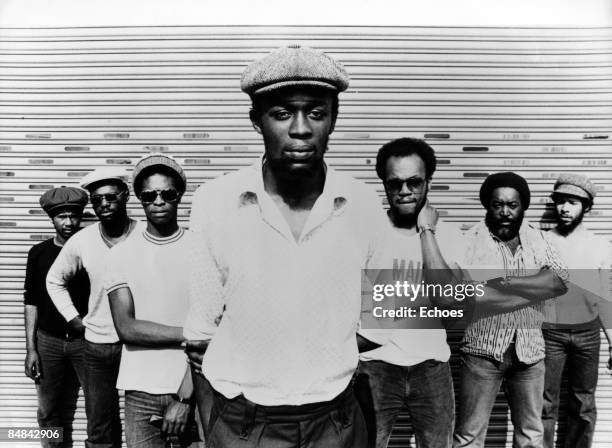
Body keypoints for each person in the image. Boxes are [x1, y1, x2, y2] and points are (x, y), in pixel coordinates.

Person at [184, 45, 388, 448]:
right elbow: (201, 334)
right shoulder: (215, 201)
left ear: (333, 118)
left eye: (316, 112)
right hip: (245, 421)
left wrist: (319, 355)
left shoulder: (363, 202)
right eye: (281, 114)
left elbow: (384, 318)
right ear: (256, 121)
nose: (300, 129)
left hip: (336, 421)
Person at [354, 138, 462, 448]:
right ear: (384, 185)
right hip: (374, 364)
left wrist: (426, 231)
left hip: (431, 365)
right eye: (395, 183)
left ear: (428, 182)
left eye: (414, 182)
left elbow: (447, 300)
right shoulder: (366, 233)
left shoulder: (450, 235)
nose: (404, 191)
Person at [453, 172, 568, 448]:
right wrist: (533, 288)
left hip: (530, 353)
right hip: (481, 352)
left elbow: (561, 280)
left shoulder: (539, 239)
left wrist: (504, 284)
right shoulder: (469, 241)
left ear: (523, 206)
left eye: (512, 205)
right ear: (487, 205)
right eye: (497, 204)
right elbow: (465, 296)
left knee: (531, 436)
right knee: (469, 436)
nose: (505, 212)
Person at [105, 154, 200, 448]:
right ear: (139, 200)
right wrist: (190, 334)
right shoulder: (120, 255)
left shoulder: (202, 250)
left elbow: (216, 329)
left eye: (167, 194)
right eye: (149, 195)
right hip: (140, 393)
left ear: (179, 196)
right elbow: (127, 328)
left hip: (194, 388)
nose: (159, 201)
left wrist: (186, 397)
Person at [47, 167, 142, 448]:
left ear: (125, 196)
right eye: (97, 199)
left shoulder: (146, 234)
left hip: (139, 344)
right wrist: (73, 318)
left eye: (111, 197)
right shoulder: (83, 240)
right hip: (98, 345)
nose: (104, 204)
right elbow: (54, 280)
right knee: (100, 426)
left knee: (145, 425)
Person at [541, 173, 612, 448]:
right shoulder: (542, 241)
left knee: (583, 404)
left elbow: (605, 296)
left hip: (588, 334)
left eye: (572, 202)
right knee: (544, 403)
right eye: (560, 202)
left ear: (587, 207)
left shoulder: (600, 246)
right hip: (550, 335)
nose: (564, 209)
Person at [24, 186, 90, 448]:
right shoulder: (38, 253)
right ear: (51, 218)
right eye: (61, 216)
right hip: (48, 341)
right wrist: (31, 349)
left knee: (99, 408)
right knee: (48, 411)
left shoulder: (92, 249)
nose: (69, 222)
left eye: (73, 215)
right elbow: (31, 302)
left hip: (86, 341)